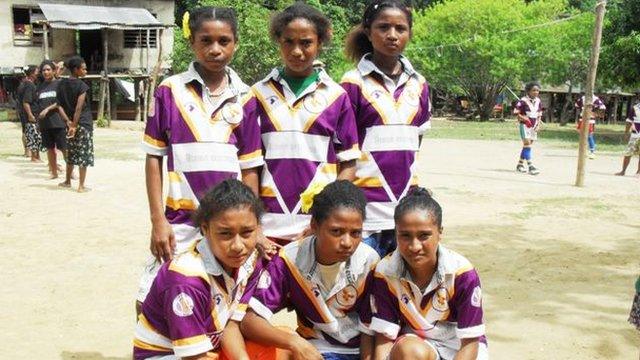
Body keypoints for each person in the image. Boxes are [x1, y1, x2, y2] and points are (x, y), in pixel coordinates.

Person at [136, 7, 264, 310]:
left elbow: (249, 169)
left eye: (224, 40)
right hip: (179, 218)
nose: (215, 49)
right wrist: (158, 220)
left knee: (221, 297)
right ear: (192, 41)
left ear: (235, 43)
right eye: (206, 40)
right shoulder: (170, 91)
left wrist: (252, 225)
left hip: (227, 222)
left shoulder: (246, 97)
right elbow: (154, 159)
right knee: (151, 294)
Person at [243, 2, 360, 246]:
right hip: (267, 228)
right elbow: (250, 167)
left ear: (320, 43)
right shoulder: (257, 95)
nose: (297, 51)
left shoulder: (337, 97)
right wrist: (253, 226)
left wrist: (326, 218)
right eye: (289, 42)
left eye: (306, 42)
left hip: (317, 228)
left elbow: (348, 165)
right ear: (278, 41)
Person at [134, 179, 277, 360]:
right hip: (169, 356)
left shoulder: (249, 263)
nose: (238, 246)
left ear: (258, 229)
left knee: (283, 347)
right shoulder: (184, 279)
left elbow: (229, 326)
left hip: (207, 350)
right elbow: (193, 356)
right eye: (225, 234)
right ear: (205, 229)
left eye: (247, 232)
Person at [240, 180, 380, 360]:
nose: (347, 243)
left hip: (360, 349)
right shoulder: (290, 259)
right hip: (314, 349)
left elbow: (373, 328)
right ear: (314, 225)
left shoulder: (369, 261)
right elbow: (250, 321)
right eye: (336, 232)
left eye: (356, 233)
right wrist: (293, 342)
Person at [341, 0, 431, 257]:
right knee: (360, 285)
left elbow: (416, 141)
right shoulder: (353, 83)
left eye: (400, 28)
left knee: (397, 290)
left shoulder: (419, 84)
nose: (392, 35)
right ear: (368, 32)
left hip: (405, 210)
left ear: (409, 34)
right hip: (364, 213)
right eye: (383, 27)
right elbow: (344, 149)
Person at [364, 188, 488, 360]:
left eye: (424, 236)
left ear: (440, 233)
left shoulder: (462, 273)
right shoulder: (385, 272)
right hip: (418, 347)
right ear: (396, 234)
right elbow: (384, 336)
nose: (414, 246)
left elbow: (470, 342)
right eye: (405, 235)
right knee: (409, 351)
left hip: (460, 347)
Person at [57, 56, 93, 192]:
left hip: (69, 124)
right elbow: (79, 107)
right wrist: (74, 125)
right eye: (83, 68)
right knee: (83, 154)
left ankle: (67, 181)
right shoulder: (82, 86)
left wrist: (68, 122)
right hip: (83, 124)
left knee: (71, 153)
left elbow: (58, 106)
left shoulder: (61, 84)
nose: (85, 71)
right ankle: (81, 186)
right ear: (76, 70)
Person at [36, 59, 67, 179]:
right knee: (50, 149)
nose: (46, 72)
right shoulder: (40, 87)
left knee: (64, 148)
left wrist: (47, 109)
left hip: (58, 122)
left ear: (54, 71)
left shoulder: (60, 84)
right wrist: (38, 122)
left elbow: (60, 101)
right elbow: (38, 105)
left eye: (48, 69)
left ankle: (71, 171)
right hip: (45, 124)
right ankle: (53, 172)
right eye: (44, 70)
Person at [513, 82, 543, 175]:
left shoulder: (538, 101)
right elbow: (516, 113)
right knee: (527, 144)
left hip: (534, 126)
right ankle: (531, 166)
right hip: (525, 125)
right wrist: (524, 118)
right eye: (533, 90)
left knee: (527, 146)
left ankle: (520, 165)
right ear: (528, 91)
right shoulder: (523, 101)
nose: (536, 92)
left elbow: (539, 114)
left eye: (537, 90)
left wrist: (538, 125)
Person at [17, 65, 41, 162]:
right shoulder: (30, 85)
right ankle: (34, 156)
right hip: (30, 113)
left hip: (24, 113)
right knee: (34, 134)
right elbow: (26, 102)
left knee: (27, 132)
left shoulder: (23, 83)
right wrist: (30, 114)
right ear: (31, 74)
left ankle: (30, 153)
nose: (38, 73)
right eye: (37, 72)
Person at [575, 93, 606, 159]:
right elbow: (577, 105)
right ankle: (583, 151)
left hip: (590, 120)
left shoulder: (595, 98)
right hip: (582, 118)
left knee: (589, 135)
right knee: (582, 135)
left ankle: (592, 152)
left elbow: (602, 107)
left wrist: (595, 113)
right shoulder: (583, 98)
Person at [615, 99, 640, 177]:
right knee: (628, 153)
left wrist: (626, 133)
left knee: (629, 153)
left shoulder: (635, 108)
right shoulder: (635, 108)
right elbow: (629, 121)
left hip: (635, 133)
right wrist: (626, 133)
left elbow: (629, 121)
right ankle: (624, 171)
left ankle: (637, 172)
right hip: (635, 134)